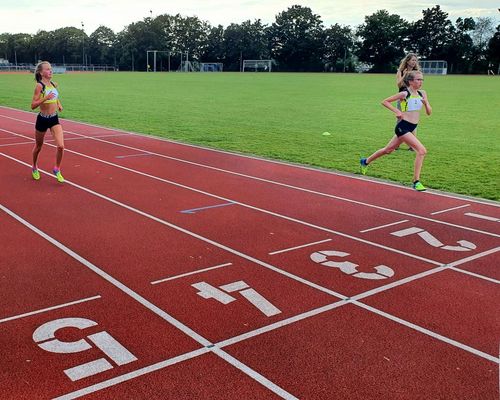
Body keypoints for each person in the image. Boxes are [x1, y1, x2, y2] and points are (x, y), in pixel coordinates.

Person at [360, 70, 432, 192]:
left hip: (412, 127)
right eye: (418, 79)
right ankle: (416, 181)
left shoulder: (422, 93)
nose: (421, 82)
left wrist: (426, 104)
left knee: (388, 150)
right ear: (410, 81)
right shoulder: (404, 94)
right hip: (402, 127)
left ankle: (365, 161)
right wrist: (397, 111)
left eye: (422, 80)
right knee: (422, 151)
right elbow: (385, 101)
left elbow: (429, 113)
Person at [30, 61, 65, 183]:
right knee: (39, 146)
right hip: (42, 119)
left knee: (61, 146)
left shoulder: (53, 84)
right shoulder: (39, 86)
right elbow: (33, 105)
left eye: (51, 69)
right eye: (47, 69)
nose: (51, 71)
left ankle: (57, 168)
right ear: (41, 72)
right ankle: (34, 167)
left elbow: (55, 97)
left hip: (54, 119)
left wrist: (59, 104)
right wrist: (45, 98)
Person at [395, 53, 421, 150]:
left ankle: (412, 145)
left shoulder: (416, 72)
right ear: (408, 61)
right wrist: (405, 75)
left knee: (412, 120)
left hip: (413, 99)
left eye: (415, 60)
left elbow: (418, 85)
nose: (414, 62)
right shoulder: (401, 71)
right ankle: (396, 144)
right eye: (413, 60)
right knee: (401, 119)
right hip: (403, 99)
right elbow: (399, 85)